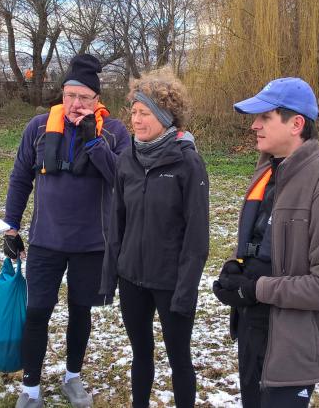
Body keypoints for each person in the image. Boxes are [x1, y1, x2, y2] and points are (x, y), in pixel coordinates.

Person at [212, 77, 319, 407]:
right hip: (254, 330)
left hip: (293, 347)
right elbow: (265, 241)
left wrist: (257, 288)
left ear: (296, 124)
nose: (254, 126)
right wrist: (237, 269)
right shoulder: (268, 169)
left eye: (265, 118)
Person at [3, 54, 131, 408]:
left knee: (80, 311)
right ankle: (30, 388)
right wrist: (11, 227)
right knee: (36, 312)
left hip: (92, 243)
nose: (76, 104)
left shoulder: (116, 131)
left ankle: (72, 377)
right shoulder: (39, 126)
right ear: (62, 95)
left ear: (97, 100)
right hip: (46, 240)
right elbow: (19, 178)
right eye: (70, 95)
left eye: (85, 98)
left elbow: (122, 180)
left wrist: (94, 142)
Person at [99, 68, 210, 408]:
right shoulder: (127, 160)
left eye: (144, 113)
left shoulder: (188, 163)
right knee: (140, 355)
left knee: (179, 358)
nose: (136, 119)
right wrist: (110, 277)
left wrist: (186, 290)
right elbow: (117, 222)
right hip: (132, 278)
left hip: (170, 280)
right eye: (133, 112)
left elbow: (197, 235)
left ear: (164, 117)